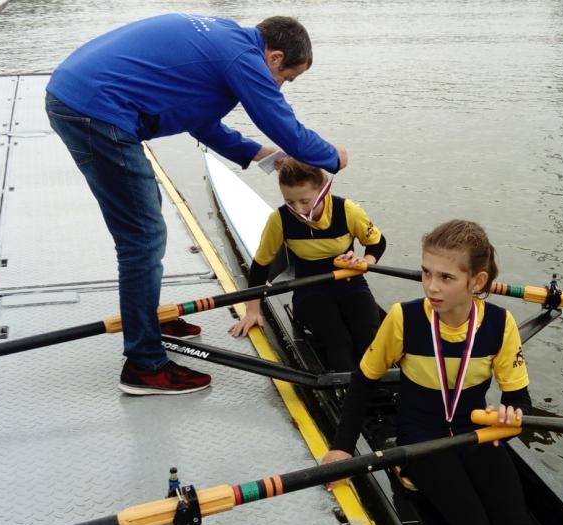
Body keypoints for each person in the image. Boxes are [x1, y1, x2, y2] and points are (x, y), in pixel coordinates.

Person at [45, 14, 349, 395]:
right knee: (142, 237)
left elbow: (201, 121)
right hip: (95, 111)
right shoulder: (243, 57)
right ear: (274, 57)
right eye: (287, 78)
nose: (281, 85)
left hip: (81, 97)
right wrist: (332, 157)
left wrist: (260, 155)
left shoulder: (226, 40)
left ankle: (145, 321)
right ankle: (144, 365)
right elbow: (283, 124)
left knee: (145, 222)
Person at [322, 220, 563, 525]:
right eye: (426, 273)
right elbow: (363, 382)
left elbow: (518, 398)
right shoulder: (404, 318)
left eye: (446, 277)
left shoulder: (500, 324)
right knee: (472, 523)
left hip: (477, 434)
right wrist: (341, 448)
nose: (431, 287)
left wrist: (511, 416)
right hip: (422, 438)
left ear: (478, 281)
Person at [229, 159, 385, 371]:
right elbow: (261, 265)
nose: (298, 210)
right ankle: (344, 386)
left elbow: (377, 243)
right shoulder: (279, 220)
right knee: (338, 341)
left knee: (369, 338)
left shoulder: (348, 210)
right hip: (309, 289)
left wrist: (365, 262)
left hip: (351, 284)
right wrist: (253, 310)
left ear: (323, 191)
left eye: (305, 201)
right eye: (290, 202)